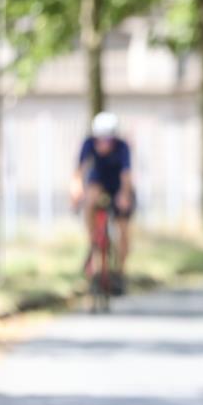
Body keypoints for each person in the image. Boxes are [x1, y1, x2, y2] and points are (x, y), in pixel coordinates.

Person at [70, 111, 134, 295]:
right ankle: (93, 240)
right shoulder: (88, 144)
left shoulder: (122, 147)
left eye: (108, 140)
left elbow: (126, 175)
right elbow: (79, 172)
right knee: (90, 200)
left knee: (123, 229)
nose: (103, 144)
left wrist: (124, 195)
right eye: (100, 139)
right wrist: (75, 192)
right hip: (98, 183)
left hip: (118, 185)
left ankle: (120, 271)